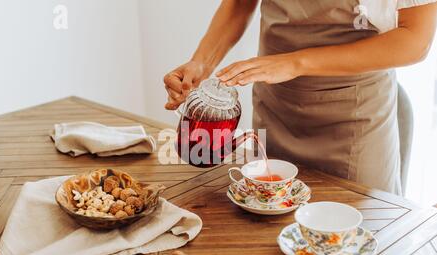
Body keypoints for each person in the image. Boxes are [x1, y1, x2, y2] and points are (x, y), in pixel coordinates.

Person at [163, 0, 437, 195]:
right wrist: (201, 63)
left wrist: (295, 63)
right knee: (267, 225)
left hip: (354, 120)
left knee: (355, 242)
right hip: (276, 108)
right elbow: (239, 4)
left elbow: (415, 40)